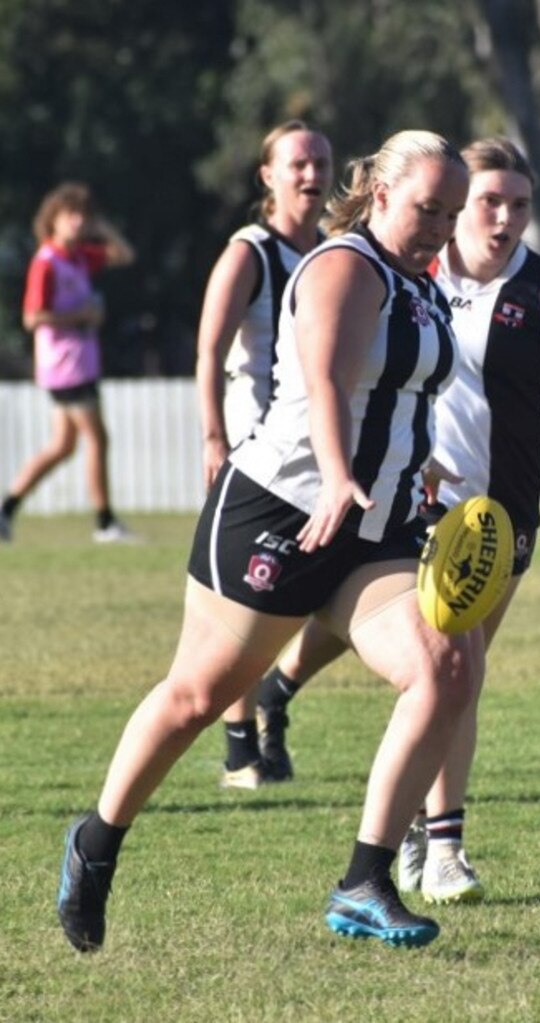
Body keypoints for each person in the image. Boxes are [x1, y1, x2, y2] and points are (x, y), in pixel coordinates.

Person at [57, 129, 479, 953]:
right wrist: (334, 471)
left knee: (443, 667)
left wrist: (417, 463)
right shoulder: (344, 267)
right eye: (430, 207)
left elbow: (394, 393)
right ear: (380, 192)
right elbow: (322, 378)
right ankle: (97, 840)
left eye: (452, 212)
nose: (442, 225)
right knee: (194, 699)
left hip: (371, 525)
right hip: (282, 509)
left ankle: (365, 879)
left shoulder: (420, 285)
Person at [249, 136, 540, 903]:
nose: (505, 217)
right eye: (489, 200)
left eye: (519, 204)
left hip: (499, 519)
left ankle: (295, 703)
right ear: (450, 203)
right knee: (451, 666)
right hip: (410, 501)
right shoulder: (407, 275)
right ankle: (441, 847)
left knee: (454, 673)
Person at [194, 120, 334, 790]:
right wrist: (214, 437)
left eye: (321, 163)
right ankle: (240, 743)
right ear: (268, 177)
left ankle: (276, 696)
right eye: (298, 163)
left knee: (326, 593)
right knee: (248, 597)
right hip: (256, 455)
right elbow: (209, 351)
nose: (312, 174)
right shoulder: (250, 252)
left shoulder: (337, 251)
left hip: (319, 457)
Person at [0, 182, 136, 543]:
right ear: (53, 220)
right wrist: (80, 316)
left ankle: (6, 510)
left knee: (62, 445)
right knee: (98, 437)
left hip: (82, 361)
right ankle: (105, 522)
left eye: (83, 216)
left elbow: (123, 255)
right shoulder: (46, 262)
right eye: (70, 215)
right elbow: (33, 317)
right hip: (64, 365)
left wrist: (101, 225)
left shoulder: (78, 258)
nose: (78, 222)